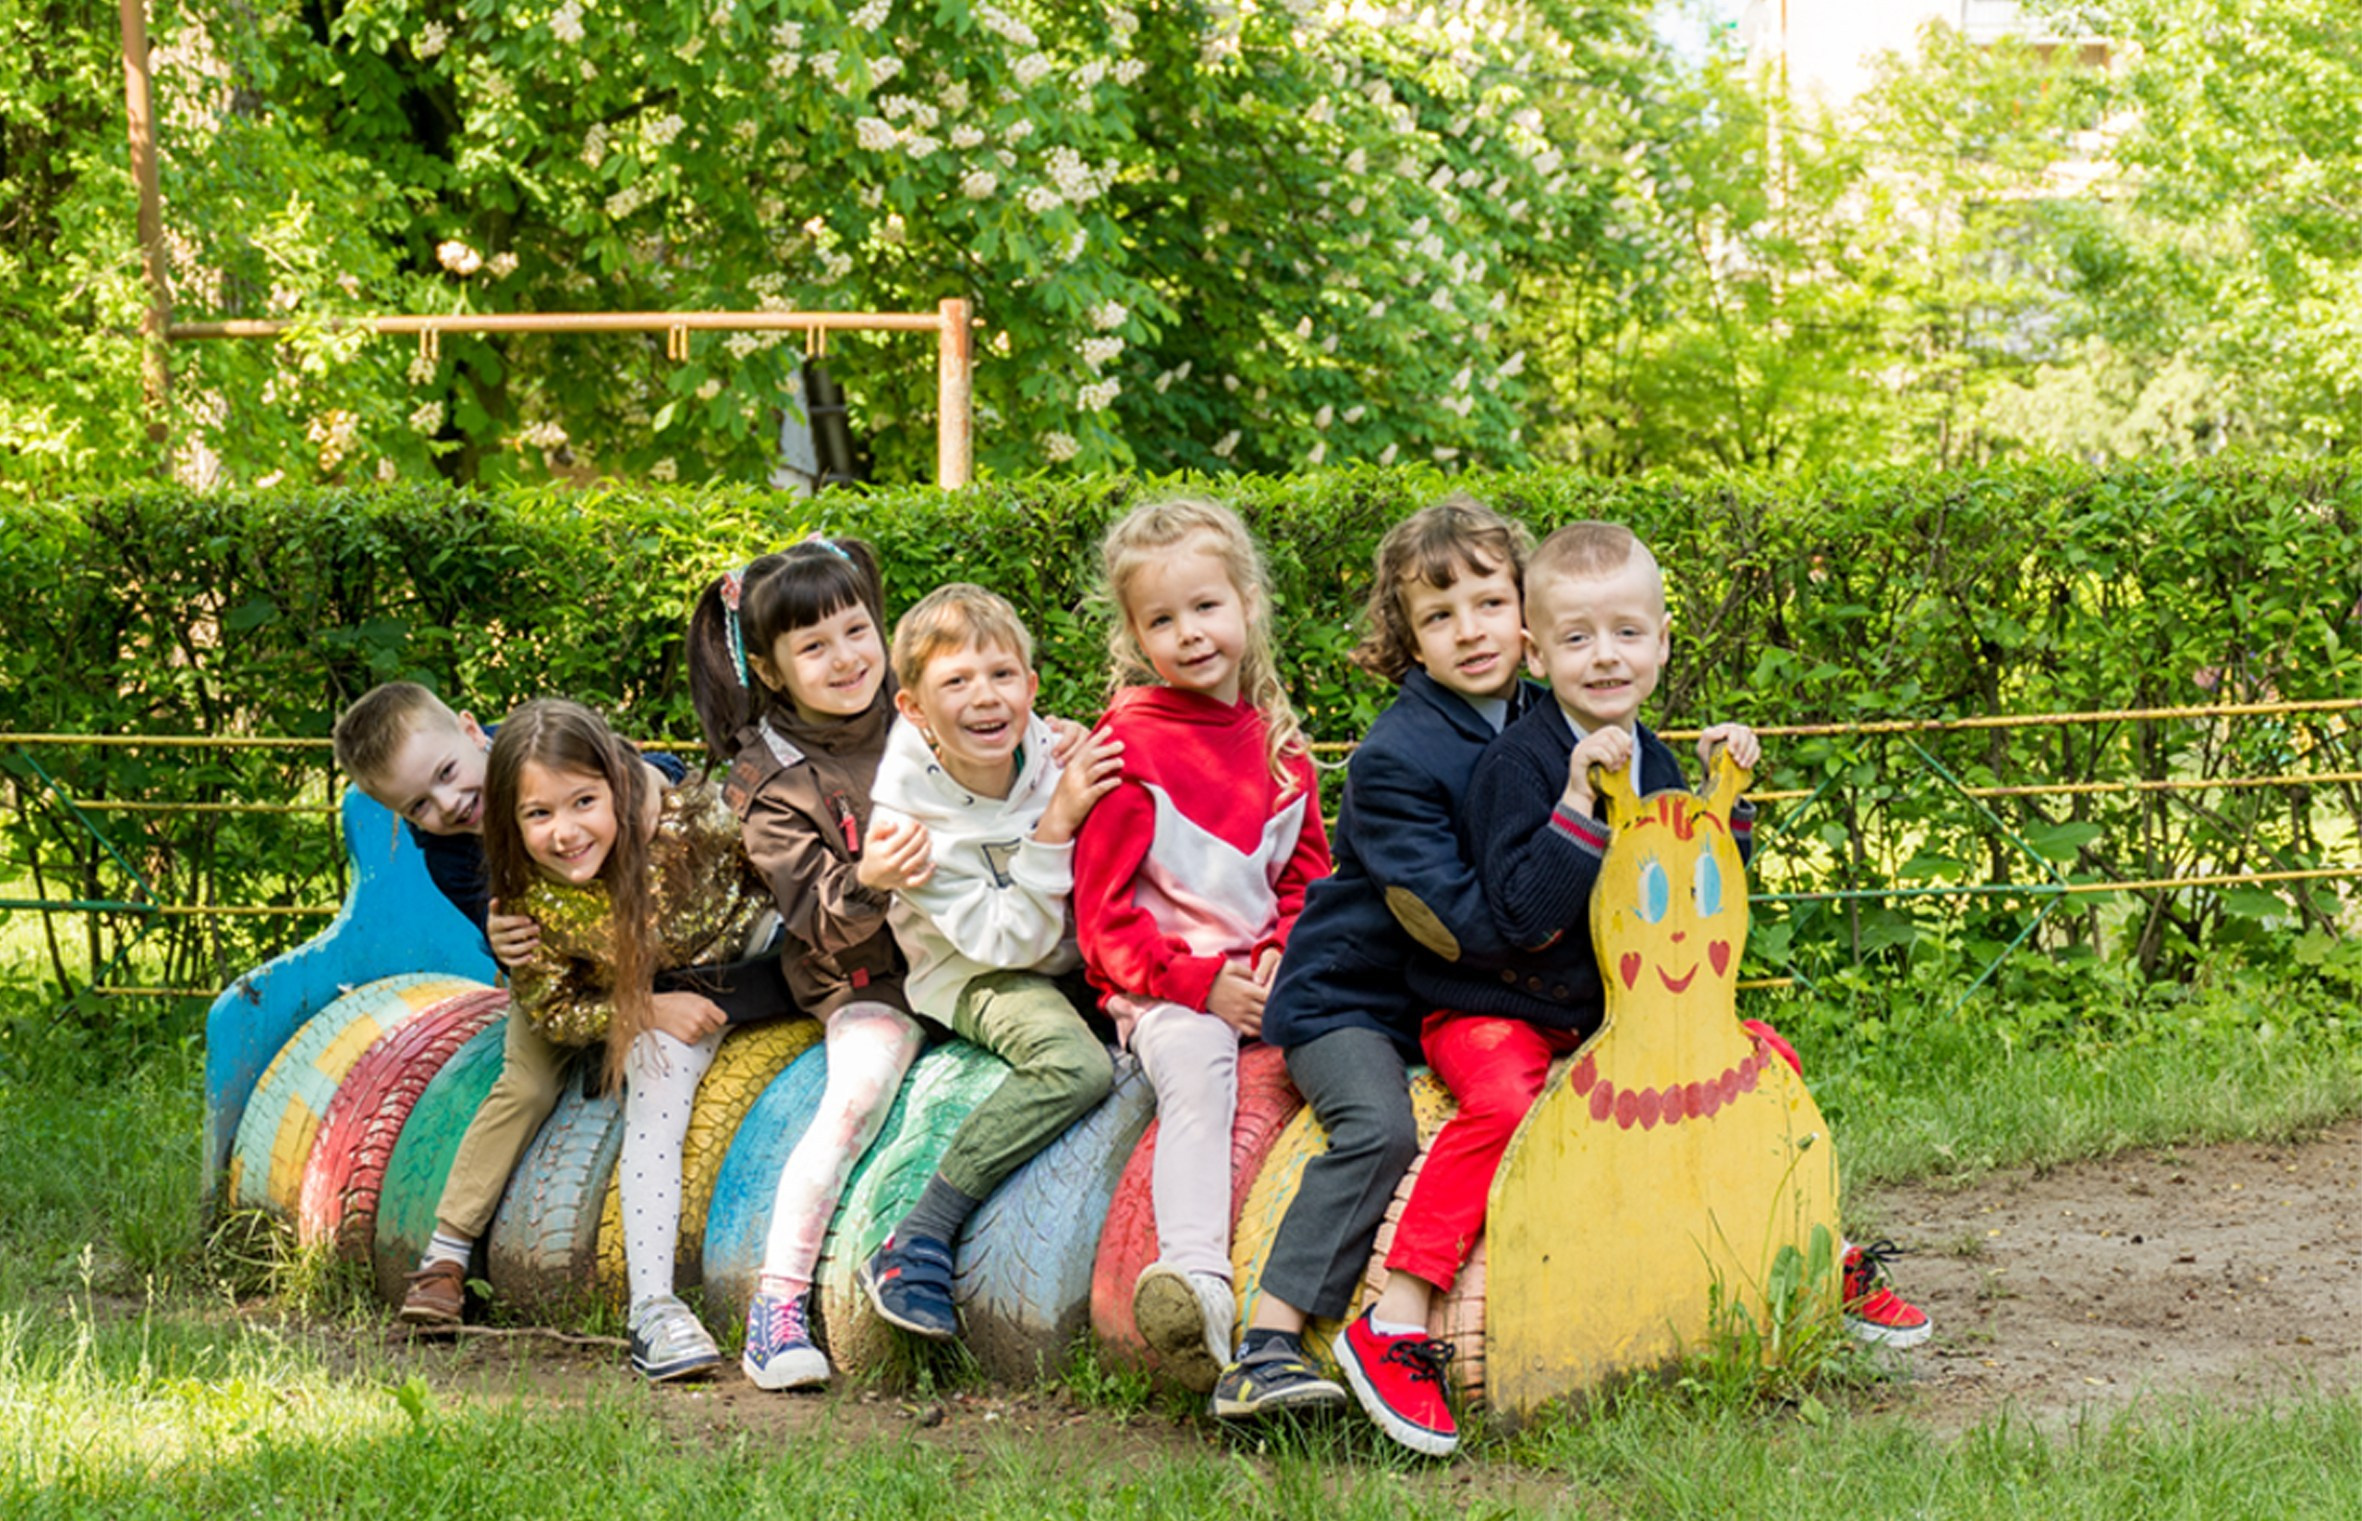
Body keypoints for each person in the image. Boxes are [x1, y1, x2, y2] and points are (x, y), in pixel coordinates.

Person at [1211, 496, 1541, 1433]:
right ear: (1408, 641)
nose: (1469, 631)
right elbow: (1449, 918)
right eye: (1438, 617)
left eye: (1488, 602)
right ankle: (1265, 1346)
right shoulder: (1400, 754)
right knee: (1377, 1129)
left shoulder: (1543, 716)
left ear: (1527, 609)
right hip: (1355, 997)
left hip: (1458, 990)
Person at [332, 682, 693, 1330]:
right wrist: (500, 936)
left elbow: (643, 766)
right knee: (524, 1083)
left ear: (474, 730)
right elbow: (508, 931)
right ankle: (446, 1251)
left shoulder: (537, 750)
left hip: (650, 929)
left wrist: (647, 775)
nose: (449, 803)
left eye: (447, 773)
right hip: (563, 971)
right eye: (419, 804)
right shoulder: (445, 850)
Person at [1072, 496, 1332, 1394]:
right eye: (1162, 619)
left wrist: (1284, 956)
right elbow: (1103, 925)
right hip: (1166, 994)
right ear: (1138, 637)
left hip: (1267, 981)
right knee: (1201, 1068)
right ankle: (1196, 1280)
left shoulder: (1282, 749)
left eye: (1206, 608)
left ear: (1248, 605)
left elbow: (1308, 885)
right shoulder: (1127, 748)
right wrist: (1201, 987)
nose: (1189, 634)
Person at [478, 699, 785, 1382]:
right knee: (651, 1076)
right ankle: (654, 1307)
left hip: (769, 955)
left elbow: (779, 869)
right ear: (509, 819)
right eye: (538, 814)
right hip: (677, 997)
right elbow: (555, 1011)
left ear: (616, 787)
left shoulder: (693, 819)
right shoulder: (526, 902)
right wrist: (644, 1010)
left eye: (583, 800)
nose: (565, 831)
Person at [853, 583, 1127, 1344]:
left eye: (1002, 675)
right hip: (978, 972)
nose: (985, 697)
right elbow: (1008, 944)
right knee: (1076, 1068)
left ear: (1031, 686)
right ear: (912, 708)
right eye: (956, 681)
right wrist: (1058, 819)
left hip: (1074, 947)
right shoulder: (909, 825)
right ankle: (917, 1236)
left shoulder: (1046, 747)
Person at [687, 538, 926, 1392]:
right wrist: (875, 879)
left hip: (971, 950)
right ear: (774, 671)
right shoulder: (770, 778)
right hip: (867, 975)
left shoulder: (924, 712)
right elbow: (819, 917)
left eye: (857, 630)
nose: (847, 657)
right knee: (856, 1095)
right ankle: (778, 1303)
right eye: (814, 647)